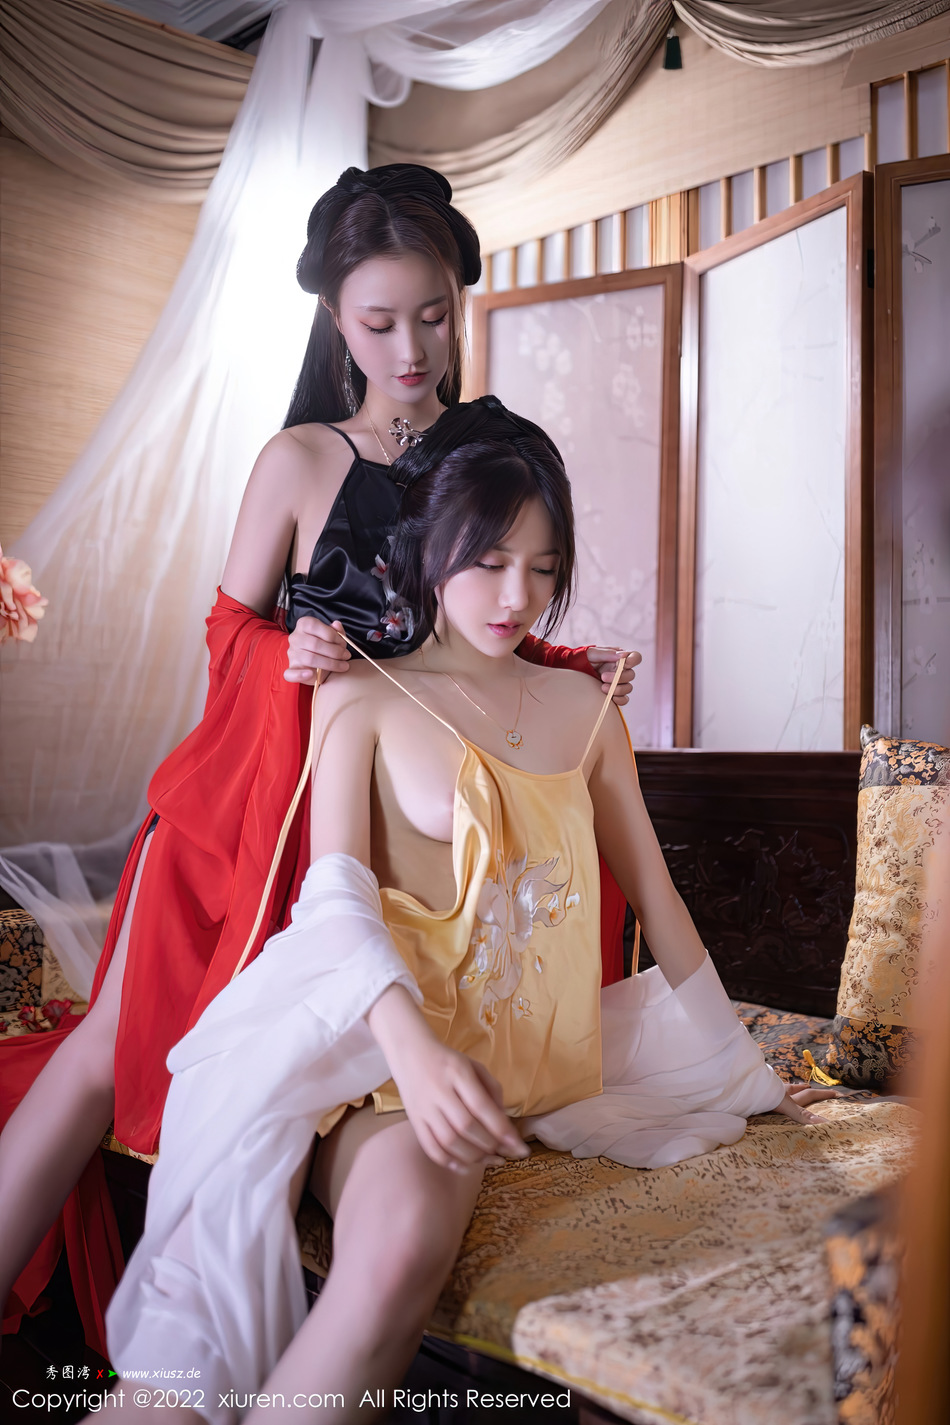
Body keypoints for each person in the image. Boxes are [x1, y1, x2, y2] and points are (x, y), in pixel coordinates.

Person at [0, 166, 637, 1350]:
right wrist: (285, 648)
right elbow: (223, 628)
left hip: (363, 823)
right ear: (336, 319)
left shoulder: (480, 456)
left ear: (458, 302)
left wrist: (562, 660)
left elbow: (469, 626)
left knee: (299, 1072)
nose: (410, 349)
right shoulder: (298, 458)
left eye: (432, 316)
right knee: (104, 1057)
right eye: (378, 322)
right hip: (248, 800)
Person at [101, 399, 833, 1424]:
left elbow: (659, 902)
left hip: (515, 1060)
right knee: (377, 1255)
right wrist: (414, 1054)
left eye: (542, 567)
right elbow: (334, 902)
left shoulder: (586, 711)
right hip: (377, 1052)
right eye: (488, 561)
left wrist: (745, 1077)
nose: (517, 595)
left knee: (406, 1250)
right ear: (428, 545)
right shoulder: (358, 696)